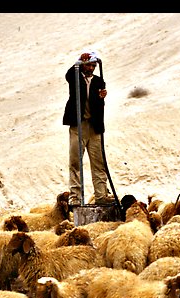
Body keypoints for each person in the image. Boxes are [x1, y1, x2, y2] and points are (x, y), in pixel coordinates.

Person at [63, 50, 113, 207]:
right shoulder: (76, 77)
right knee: (75, 162)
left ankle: (101, 195)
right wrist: (78, 62)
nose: (91, 68)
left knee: (98, 163)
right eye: (89, 65)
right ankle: (75, 197)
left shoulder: (99, 81)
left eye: (93, 65)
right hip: (78, 125)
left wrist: (101, 97)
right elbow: (68, 75)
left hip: (94, 127)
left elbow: (99, 105)